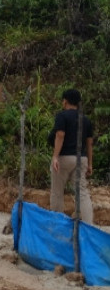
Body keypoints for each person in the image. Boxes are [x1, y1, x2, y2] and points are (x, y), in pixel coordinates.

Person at [50, 88, 94, 224]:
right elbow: (89, 143)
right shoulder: (86, 120)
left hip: (65, 157)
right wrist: (90, 164)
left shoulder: (62, 116)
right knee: (82, 193)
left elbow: (60, 135)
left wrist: (55, 156)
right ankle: (89, 225)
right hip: (82, 159)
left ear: (65, 101)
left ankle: (56, 224)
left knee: (57, 191)